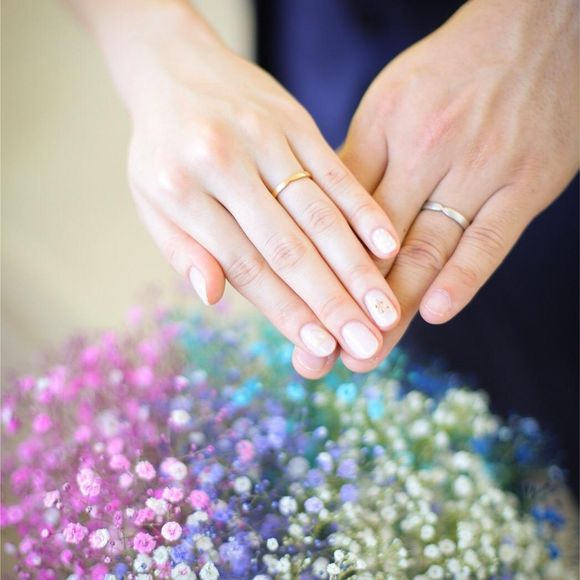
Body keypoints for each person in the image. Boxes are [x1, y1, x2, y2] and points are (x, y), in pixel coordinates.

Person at [67, 0, 578, 487]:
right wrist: (158, 47)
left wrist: (553, 27)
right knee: (401, 306)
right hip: (322, 44)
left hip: (538, 73)